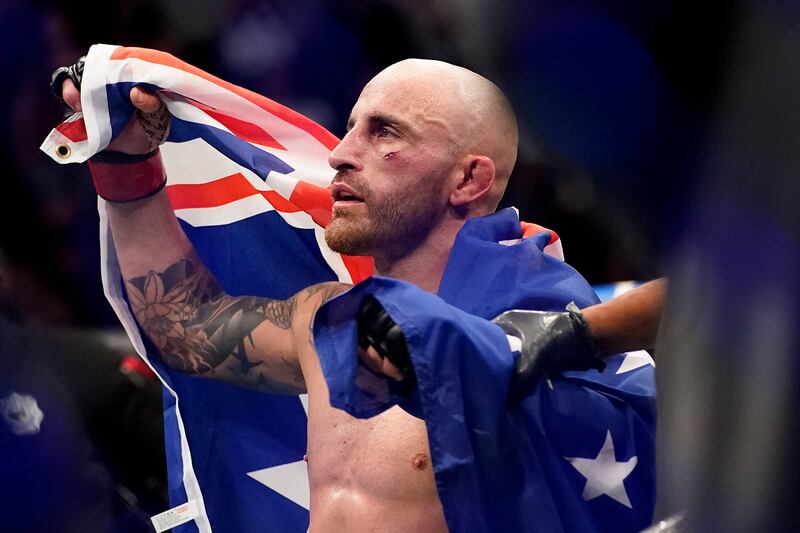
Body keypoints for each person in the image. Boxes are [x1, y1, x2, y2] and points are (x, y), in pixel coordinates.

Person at [56, 56, 652, 532]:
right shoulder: (331, 318)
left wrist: (544, 346)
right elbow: (184, 326)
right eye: (349, 129)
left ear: (469, 179)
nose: (341, 154)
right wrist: (124, 162)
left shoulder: (536, 323)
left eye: (384, 132)